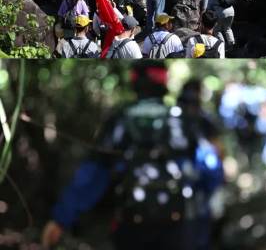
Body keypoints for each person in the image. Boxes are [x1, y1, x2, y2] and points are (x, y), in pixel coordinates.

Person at [41, 62, 224, 250]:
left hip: (131, 224)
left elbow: (93, 174)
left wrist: (61, 218)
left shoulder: (120, 119)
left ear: (134, 81)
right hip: (178, 225)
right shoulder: (181, 120)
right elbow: (211, 169)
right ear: (164, 82)